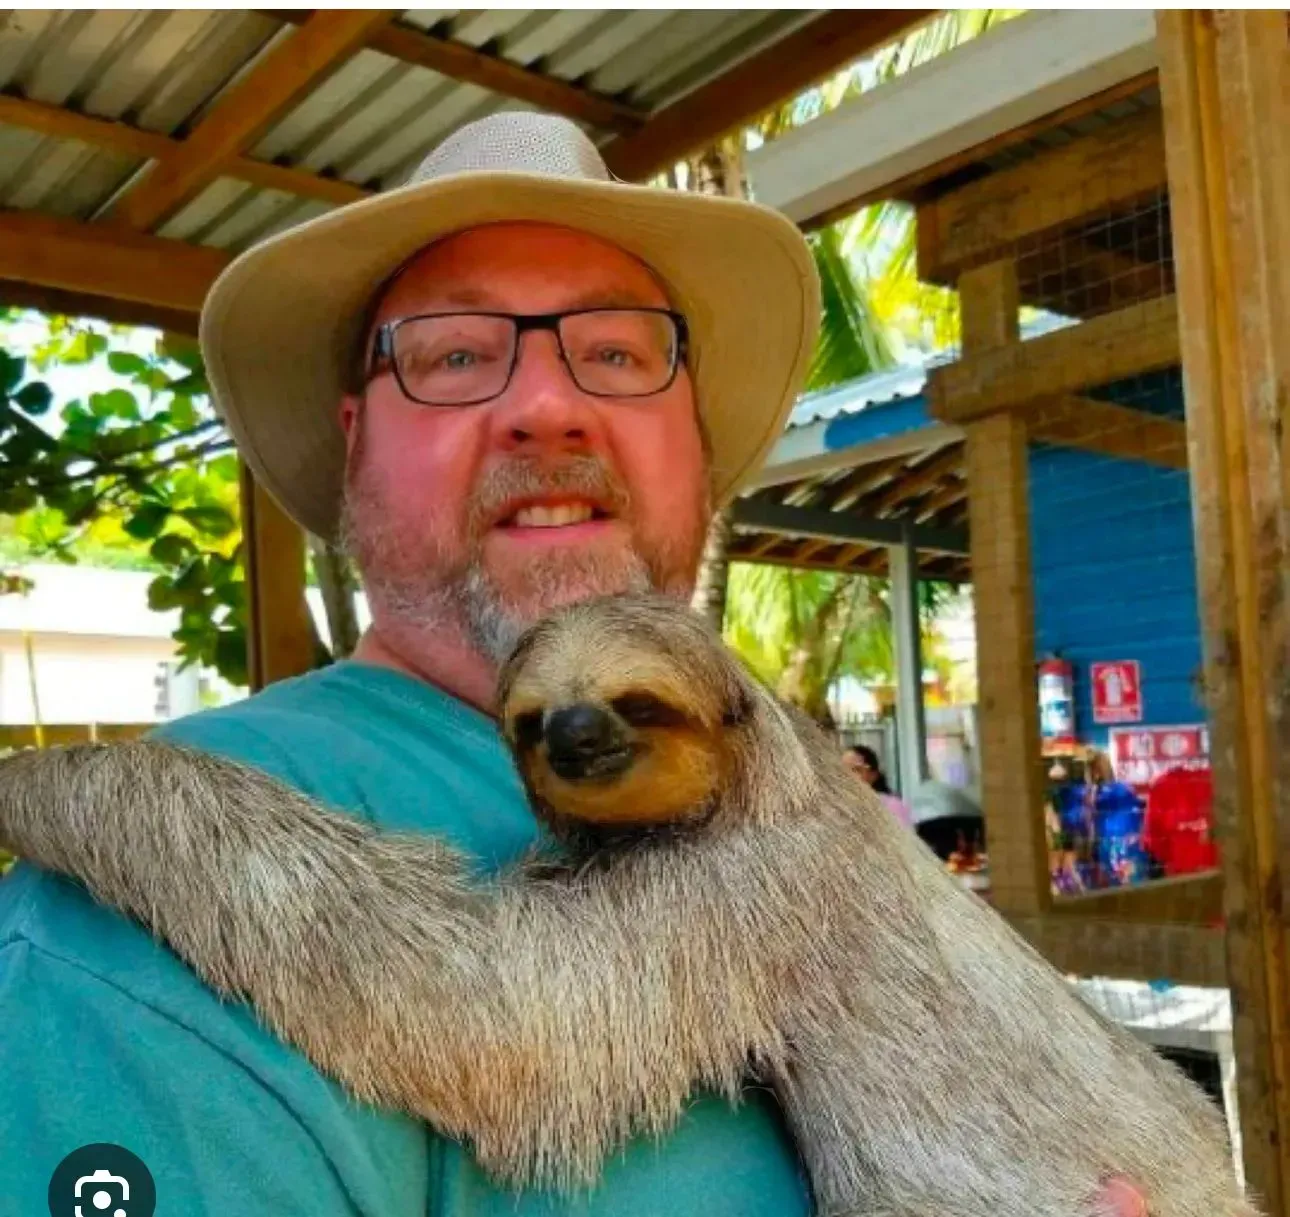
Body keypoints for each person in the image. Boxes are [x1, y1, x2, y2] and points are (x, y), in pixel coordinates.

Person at [0, 113, 1146, 1217]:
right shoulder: (96, 957)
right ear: (355, 435)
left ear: (694, 439)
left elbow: (471, 1022)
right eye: (455, 353)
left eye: (612, 352)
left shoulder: (775, 825)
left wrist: (64, 788)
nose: (546, 408)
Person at [843, 744, 913, 828]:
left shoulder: (892, 807)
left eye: (856, 770)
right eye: (843, 771)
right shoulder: (842, 807)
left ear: (873, 774)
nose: (848, 776)